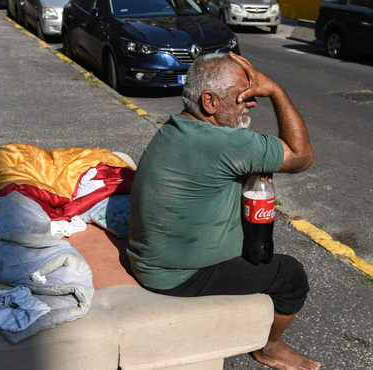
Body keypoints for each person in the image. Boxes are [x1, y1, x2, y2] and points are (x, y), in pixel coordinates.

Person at [128, 52, 319, 370]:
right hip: (176, 276)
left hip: (155, 259)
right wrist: (276, 91)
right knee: (291, 276)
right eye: (243, 96)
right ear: (209, 102)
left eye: (255, 94)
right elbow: (302, 156)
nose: (251, 102)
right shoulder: (226, 143)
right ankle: (269, 348)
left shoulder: (178, 127)